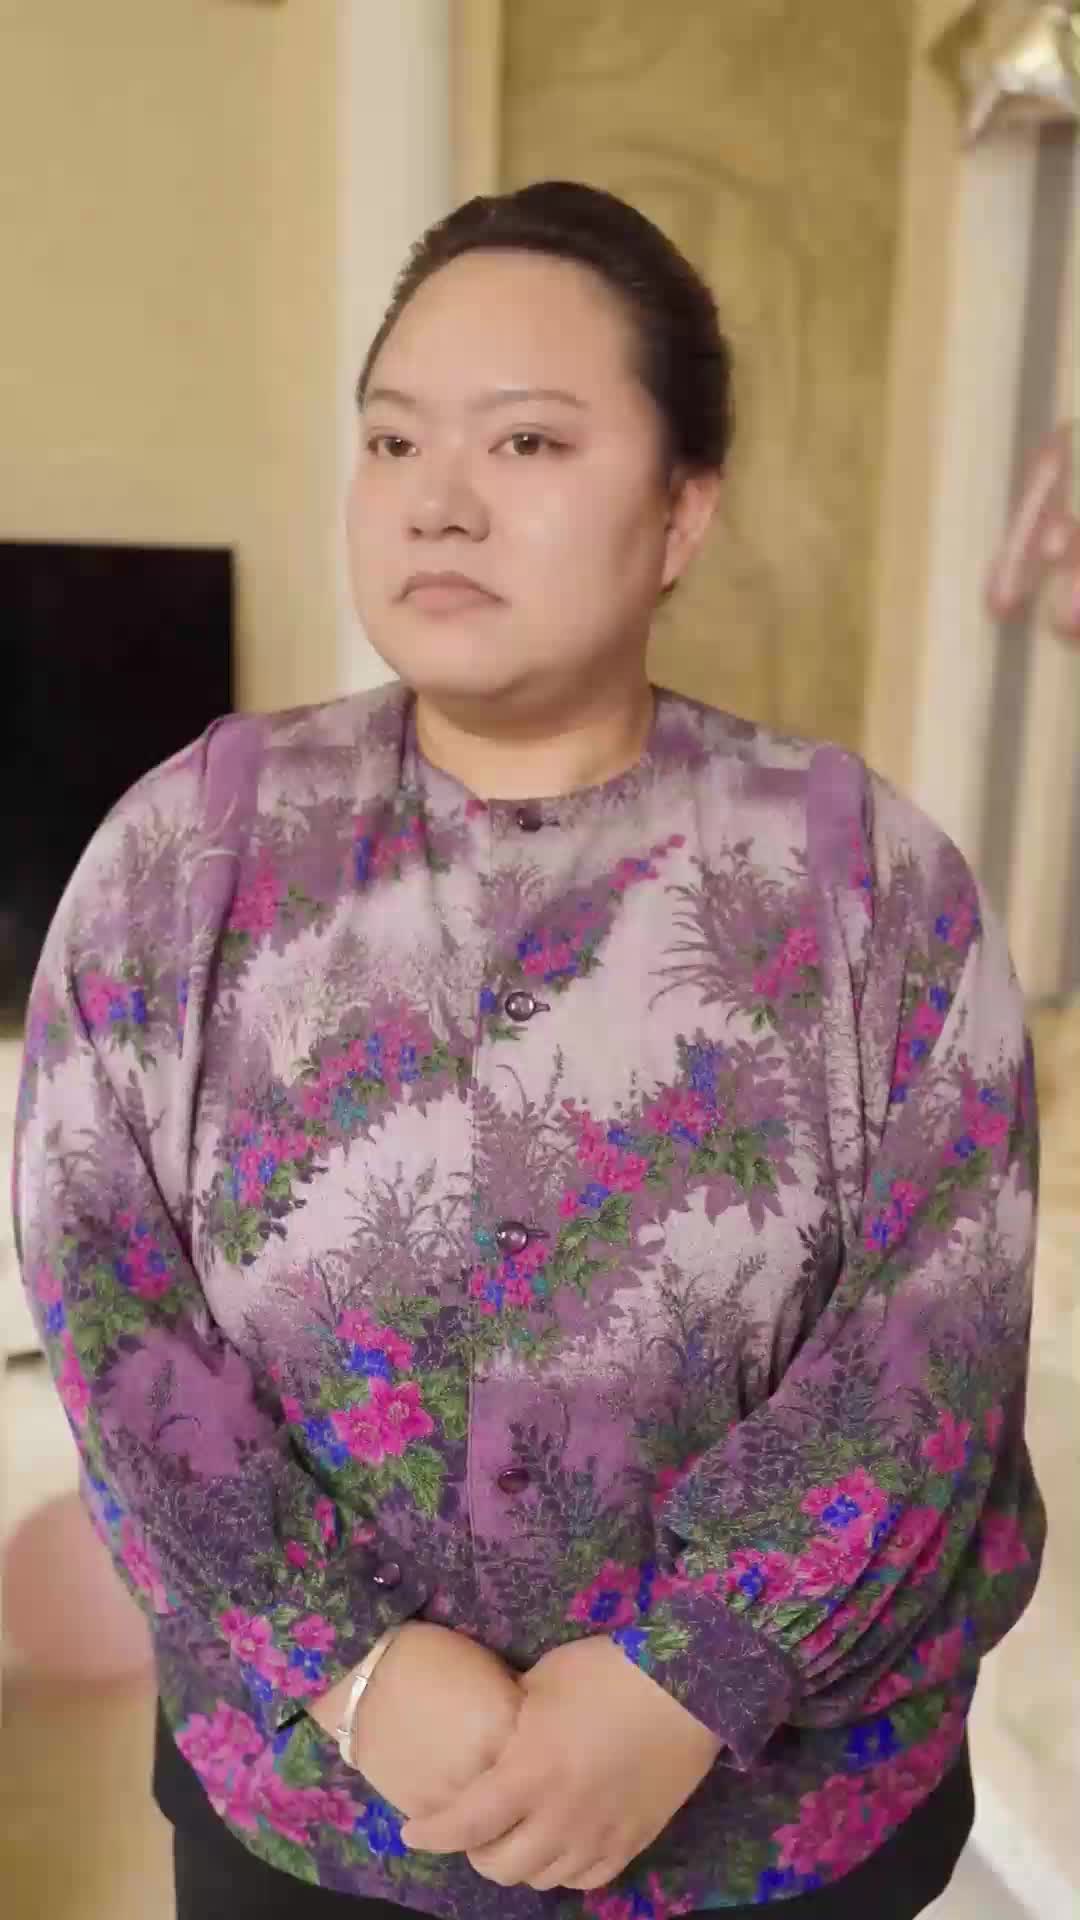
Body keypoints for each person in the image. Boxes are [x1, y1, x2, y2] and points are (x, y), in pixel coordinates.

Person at [13, 181, 1045, 1920]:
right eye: (394, 441)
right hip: (319, 1817)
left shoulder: (866, 876)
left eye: (529, 442)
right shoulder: (188, 849)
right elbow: (108, 1297)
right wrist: (346, 1660)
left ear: (682, 509)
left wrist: (691, 1675)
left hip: (771, 1832)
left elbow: (938, 1332)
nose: (440, 498)